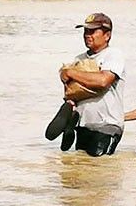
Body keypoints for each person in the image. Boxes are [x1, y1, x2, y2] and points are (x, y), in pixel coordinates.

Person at [45, 13, 126, 156]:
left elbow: (103, 81)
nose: (87, 35)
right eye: (86, 31)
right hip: (83, 126)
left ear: (107, 35)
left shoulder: (113, 55)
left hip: (106, 126)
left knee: (101, 168)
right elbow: (72, 92)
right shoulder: (79, 59)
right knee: (82, 171)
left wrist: (70, 73)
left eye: (92, 31)